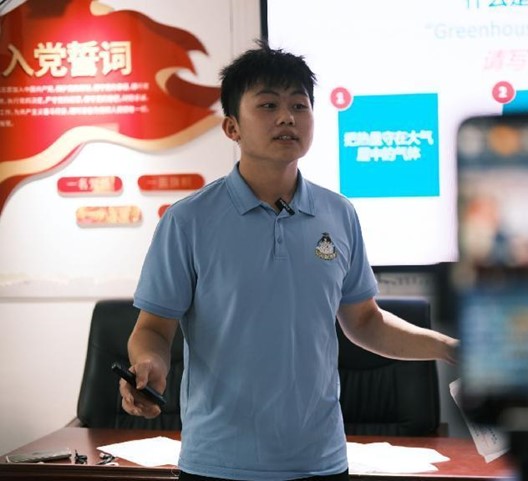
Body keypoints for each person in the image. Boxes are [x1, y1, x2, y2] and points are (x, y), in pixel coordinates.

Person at [119, 39, 458, 481]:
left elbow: (365, 322)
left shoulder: (338, 213)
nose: (287, 117)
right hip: (218, 462)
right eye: (268, 105)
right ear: (232, 128)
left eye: (299, 105)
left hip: (321, 460)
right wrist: (149, 366)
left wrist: (448, 348)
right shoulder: (188, 221)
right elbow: (152, 329)